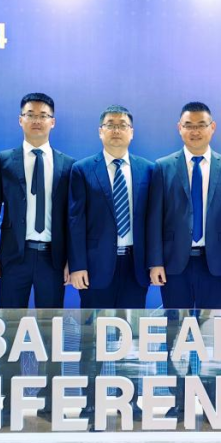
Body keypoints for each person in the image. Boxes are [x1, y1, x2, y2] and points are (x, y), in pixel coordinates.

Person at [0, 92, 75, 423]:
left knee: (52, 332)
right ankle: (9, 402)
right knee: (10, 331)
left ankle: (51, 402)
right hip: (13, 259)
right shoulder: (3, 160)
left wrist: (72, 260)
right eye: (30, 114)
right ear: (21, 120)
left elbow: (72, 218)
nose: (37, 120)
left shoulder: (67, 165)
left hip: (52, 258)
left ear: (53, 122)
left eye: (43, 115)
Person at [147, 101, 221, 420]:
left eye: (201, 125)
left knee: (210, 336)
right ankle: (180, 400)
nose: (195, 131)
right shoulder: (163, 167)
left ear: (212, 128)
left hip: (215, 265)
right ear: (179, 128)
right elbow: (154, 218)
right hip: (174, 265)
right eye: (189, 125)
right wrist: (155, 262)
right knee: (176, 335)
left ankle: (211, 402)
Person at [68, 105, 153, 309]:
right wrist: (78, 266)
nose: (116, 130)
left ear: (131, 132)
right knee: (94, 327)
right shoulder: (82, 170)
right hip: (95, 267)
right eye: (110, 125)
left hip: (136, 266)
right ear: (100, 131)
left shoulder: (148, 169)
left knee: (132, 327)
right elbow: (75, 222)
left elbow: (154, 220)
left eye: (122, 125)